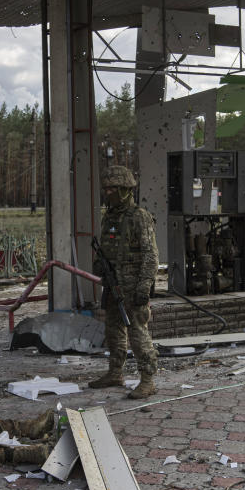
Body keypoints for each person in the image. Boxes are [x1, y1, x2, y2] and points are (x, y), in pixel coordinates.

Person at [88, 164, 159, 399]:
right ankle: (115, 372)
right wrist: (100, 265)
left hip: (133, 284)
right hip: (113, 283)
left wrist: (144, 285)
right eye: (105, 189)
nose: (107, 193)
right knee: (113, 329)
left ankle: (148, 379)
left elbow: (151, 255)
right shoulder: (109, 216)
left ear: (125, 189)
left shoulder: (139, 217)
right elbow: (106, 248)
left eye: (112, 189)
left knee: (137, 331)